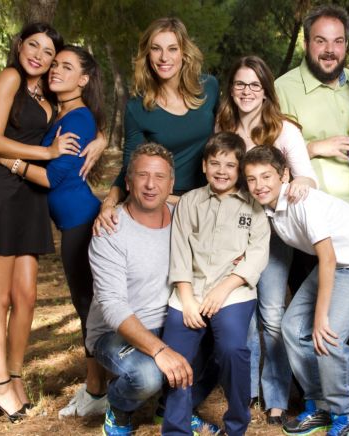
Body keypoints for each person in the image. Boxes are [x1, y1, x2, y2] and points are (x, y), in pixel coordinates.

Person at [0, 22, 104, 422]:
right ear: (20, 45)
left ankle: (15, 377)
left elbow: (80, 116)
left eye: (50, 53)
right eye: (34, 46)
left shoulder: (51, 94)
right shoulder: (10, 78)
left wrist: (102, 138)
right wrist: (46, 153)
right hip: (2, 196)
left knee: (26, 298)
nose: (40, 56)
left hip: (31, 200)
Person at [274, 2, 349, 395]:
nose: (330, 50)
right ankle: (316, 388)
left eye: (338, 41)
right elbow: (268, 154)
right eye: (321, 41)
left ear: (346, 44)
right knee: (314, 303)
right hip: (311, 217)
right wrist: (316, 147)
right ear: (306, 42)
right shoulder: (283, 88)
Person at [243, 145, 349, 436]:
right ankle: (320, 404)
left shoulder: (301, 202)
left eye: (266, 176)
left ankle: (348, 417)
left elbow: (328, 258)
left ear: (284, 175)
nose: (259, 185)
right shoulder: (266, 206)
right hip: (335, 263)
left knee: (328, 337)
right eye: (251, 179)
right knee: (293, 328)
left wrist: (321, 318)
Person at [215, 55, 317, 424]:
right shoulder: (223, 127)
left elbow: (307, 178)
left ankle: (276, 397)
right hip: (234, 233)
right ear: (231, 89)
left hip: (273, 235)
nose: (246, 91)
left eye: (254, 85)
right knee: (241, 315)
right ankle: (247, 393)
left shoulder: (283, 130)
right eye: (240, 84)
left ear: (265, 91)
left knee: (272, 314)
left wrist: (295, 183)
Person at [161, 132, 270, 436]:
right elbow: (180, 251)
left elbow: (257, 254)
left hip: (233, 292)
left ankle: (236, 424)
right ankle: (176, 430)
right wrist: (187, 300)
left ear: (239, 169)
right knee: (176, 358)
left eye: (230, 165)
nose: (222, 171)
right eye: (215, 163)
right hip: (188, 292)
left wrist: (223, 289)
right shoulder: (190, 202)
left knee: (233, 349)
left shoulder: (254, 206)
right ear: (204, 166)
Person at [86, 143, 192, 436]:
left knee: (224, 334)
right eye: (142, 175)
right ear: (128, 182)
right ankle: (118, 410)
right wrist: (160, 350)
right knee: (147, 375)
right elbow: (113, 307)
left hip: (170, 320)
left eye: (159, 177)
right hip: (116, 331)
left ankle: (171, 410)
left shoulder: (183, 216)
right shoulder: (110, 229)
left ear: (171, 184)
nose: (150, 184)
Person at [94, 16, 219, 234]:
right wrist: (109, 202)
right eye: (156, 48)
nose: (164, 57)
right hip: (165, 201)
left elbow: (227, 138)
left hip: (211, 197)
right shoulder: (137, 107)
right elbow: (130, 168)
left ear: (184, 52)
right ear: (147, 54)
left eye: (172, 49)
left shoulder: (209, 87)